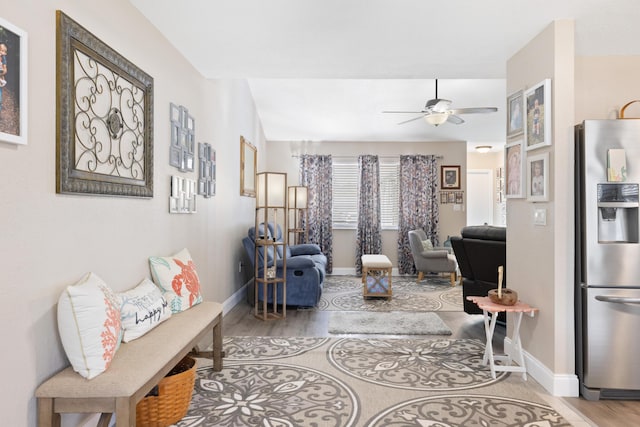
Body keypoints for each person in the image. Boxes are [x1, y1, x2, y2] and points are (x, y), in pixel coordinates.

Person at [0, 43, 7, 112]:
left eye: (4, 51)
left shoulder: (3, 58)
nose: (3, 53)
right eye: (1, 51)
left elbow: (5, 70)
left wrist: (2, 74)